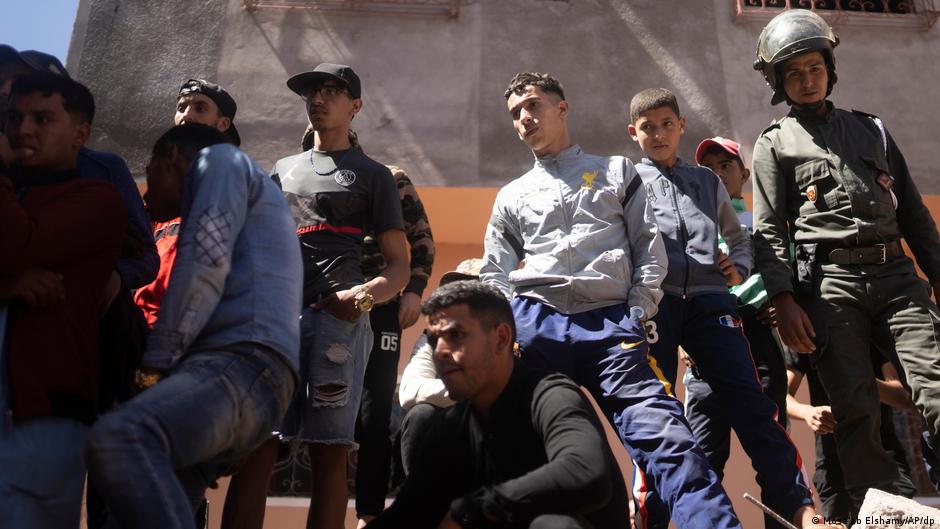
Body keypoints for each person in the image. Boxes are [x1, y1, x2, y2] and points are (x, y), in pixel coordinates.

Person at [482, 71, 743, 529]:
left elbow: (649, 249)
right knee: (519, 450)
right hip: (537, 328)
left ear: (562, 109)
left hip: (612, 331)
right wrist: (512, 331)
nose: (524, 118)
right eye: (515, 113)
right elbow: (494, 273)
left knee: (669, 441)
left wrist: (637, 312)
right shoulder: (511, 195)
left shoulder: (616, 171)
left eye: (533, 105)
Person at [751, 8, 940, 516]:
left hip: (897, 275)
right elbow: (767, 229)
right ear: (778, 81)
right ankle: (889, 517)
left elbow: (916, 216)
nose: (806, 80)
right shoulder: (773, 143)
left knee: (935, 383)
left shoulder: (872, 130)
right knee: (857, 410)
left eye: (814, 67)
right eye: (793, 72)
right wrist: (785, 301)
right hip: (831, 287)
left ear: (829, 69)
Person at [85, 123, 302, 529]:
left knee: (120, 435)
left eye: (148, 172)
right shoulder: (250, 190)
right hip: (249, 379)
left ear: (169, 159)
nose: (145, 196)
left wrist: (152, 370)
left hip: (241, 366)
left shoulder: (220, 160)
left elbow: (205, 262)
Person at [628, 88, 815, 529]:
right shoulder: (625, 180)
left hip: (714, 303)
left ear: (681, 126)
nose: (658, 133)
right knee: (656, 411)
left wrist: (739, 268)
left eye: (666, 124)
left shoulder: (707, 182)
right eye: (647, 127)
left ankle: (800, 510)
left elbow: (741, 236)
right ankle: (646, 516)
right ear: (632, 133)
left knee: (754, 407)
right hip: (657, 303)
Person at [252, 62, 409, 529]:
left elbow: (399, 267)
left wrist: (359, 298)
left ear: (355, 106)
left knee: (329, 451)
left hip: (337, 323)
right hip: (274, 321)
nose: (317, 99)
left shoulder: (375, 175)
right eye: (311, 92)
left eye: (331, 91)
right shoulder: (281, 170)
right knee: (258, 447)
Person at [367, 281, 630, 529]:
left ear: (501, 338)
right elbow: (409, 512)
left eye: (456, 334)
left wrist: (474, 509)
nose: (441, 351)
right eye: (434, 340)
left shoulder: (550, 395)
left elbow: (587, 474)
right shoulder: (452, 427)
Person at [0, 72, 125, 529]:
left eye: (42, 118)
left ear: (80, 133)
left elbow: (17, 245)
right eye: (14, 117)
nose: (23, 129)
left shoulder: (96, 199)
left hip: (39, 422)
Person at [299, 122, 437, 527]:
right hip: (319, 306)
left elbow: (422, 239)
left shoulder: (387, 178)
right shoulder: (299, 182)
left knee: (373, 415)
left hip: (378, 305)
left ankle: (370, 514)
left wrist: (412, 290)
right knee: (319, 408)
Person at [682, 136, 790, 478]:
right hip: (705, 346)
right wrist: (684, 338)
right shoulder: (685, 228)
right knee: (702, 464)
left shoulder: (763, 225)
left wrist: (779, 303)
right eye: (707, 168)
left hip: (756, 343)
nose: (716, 174)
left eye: (725, 166)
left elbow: (786, 275)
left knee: (775, 459)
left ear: (744, 174)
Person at [134, 78, 241, 327]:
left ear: (223, 123)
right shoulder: (159, 193)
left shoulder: (235, 188)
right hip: (139, 328)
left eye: (200, 108)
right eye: (182, 107)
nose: (187, 115)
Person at [786, 343, 918, 524]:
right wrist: (807, 412)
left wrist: (858, 377)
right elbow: (782, 397)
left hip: (885, 459)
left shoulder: (871, 328)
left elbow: (901, 397)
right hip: (834, 468)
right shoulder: (807, 332)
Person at [397, 258, 481, 475]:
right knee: (420, 415)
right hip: (450, 439)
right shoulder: (432, 338)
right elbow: (409, 391)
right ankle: (421, 502)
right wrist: (475, 391)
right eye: (459, 290)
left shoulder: (511, 335)